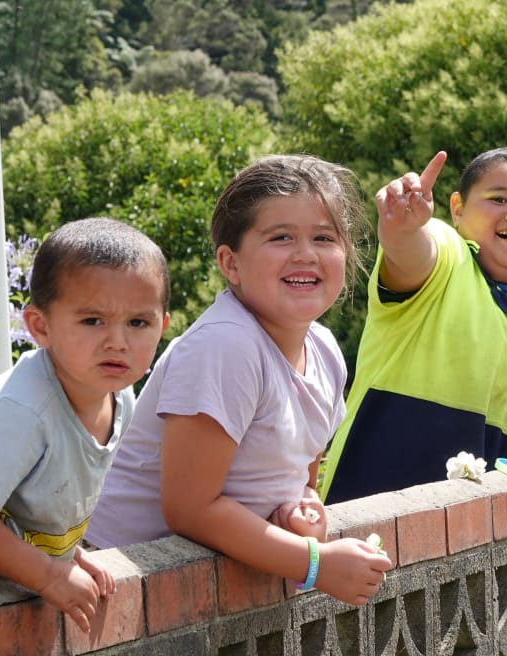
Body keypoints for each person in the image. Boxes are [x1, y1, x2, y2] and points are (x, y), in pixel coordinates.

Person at [85, 155, 392, 606]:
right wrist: (315, 562)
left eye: (324, 237)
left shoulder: (326, 352)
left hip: (201, 590)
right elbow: (191, 509)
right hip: (120, 582)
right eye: (281, 237)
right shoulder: (226, 346)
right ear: (231, 263)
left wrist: (303, 509)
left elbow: (302, 476)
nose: (306, 253)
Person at [321, 146, 507, 503]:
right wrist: (401, 227)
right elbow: (412, 251)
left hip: (495, 534)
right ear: (457, 209)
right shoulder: (447, 254)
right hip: (374, 513)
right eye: (498, 199)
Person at [0, 218, 170, 632]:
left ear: (162, 326)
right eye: (92, 321)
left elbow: (41, 495)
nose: (117, 341)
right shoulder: (22, 411)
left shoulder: (120, 398)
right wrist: (48, 575)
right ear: (40, 327)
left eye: (138, 323)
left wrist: (62, 556)